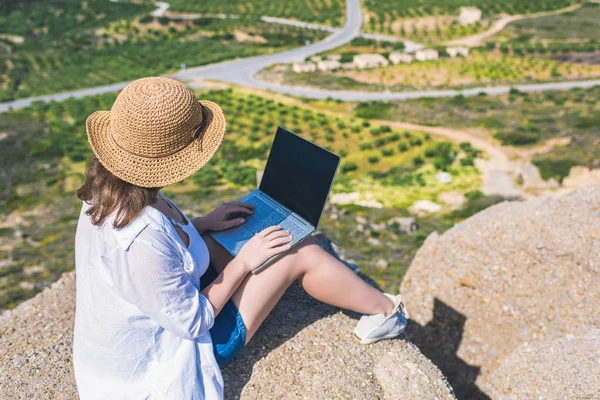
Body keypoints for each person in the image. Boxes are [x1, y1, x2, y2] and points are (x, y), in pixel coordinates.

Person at [72, 77, 407, 399]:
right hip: (170, 359)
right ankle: (388, 311)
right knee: (299, 252)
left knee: (262, 236)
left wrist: (205, 223)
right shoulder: (140, 240)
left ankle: (333, 275)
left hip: (149, 331)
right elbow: (193, 322)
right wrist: (245, 262)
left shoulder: (111, 188)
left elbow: (162, 249)